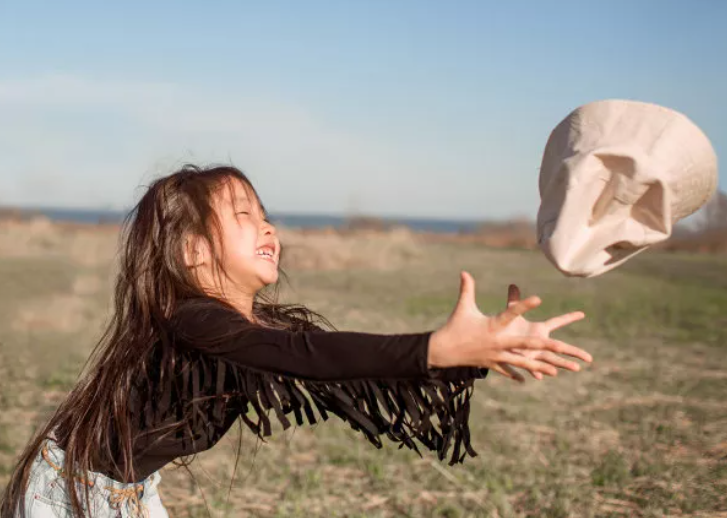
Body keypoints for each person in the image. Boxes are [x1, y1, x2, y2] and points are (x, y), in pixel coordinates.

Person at [0, 164, 592, 518]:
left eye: (266, 214)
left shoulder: (253, 329)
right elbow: (306, 358)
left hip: (127, 494)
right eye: (243, 214)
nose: (268, 226)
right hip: (66, 495)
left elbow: (338, 365)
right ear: (193, 252)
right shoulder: (193, 322)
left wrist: (468, 353)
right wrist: (436, 348)